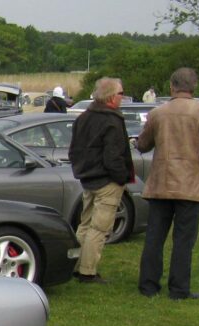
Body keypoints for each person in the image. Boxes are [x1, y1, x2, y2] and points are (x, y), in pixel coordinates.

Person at [136, 67, 199, 300]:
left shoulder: (158, 113)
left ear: (172, 86)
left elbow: (143, 145)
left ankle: (148, 285)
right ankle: (179, 289)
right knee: (184, 240)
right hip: (190, 185)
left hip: (161, 183)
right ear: (193, 86)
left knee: (154, 236)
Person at [67, 77, 134, 284]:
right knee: (99, 228)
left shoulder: (84, 117)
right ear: (112, 97)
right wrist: (121, 177)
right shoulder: (111, 120)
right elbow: (113, 156)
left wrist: (82, 170)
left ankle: (75, 265)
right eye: (121, 94)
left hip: (87, 178)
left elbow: (74, 151)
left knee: (85, 225)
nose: (123, 98)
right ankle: (88, 271)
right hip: (106, 180)